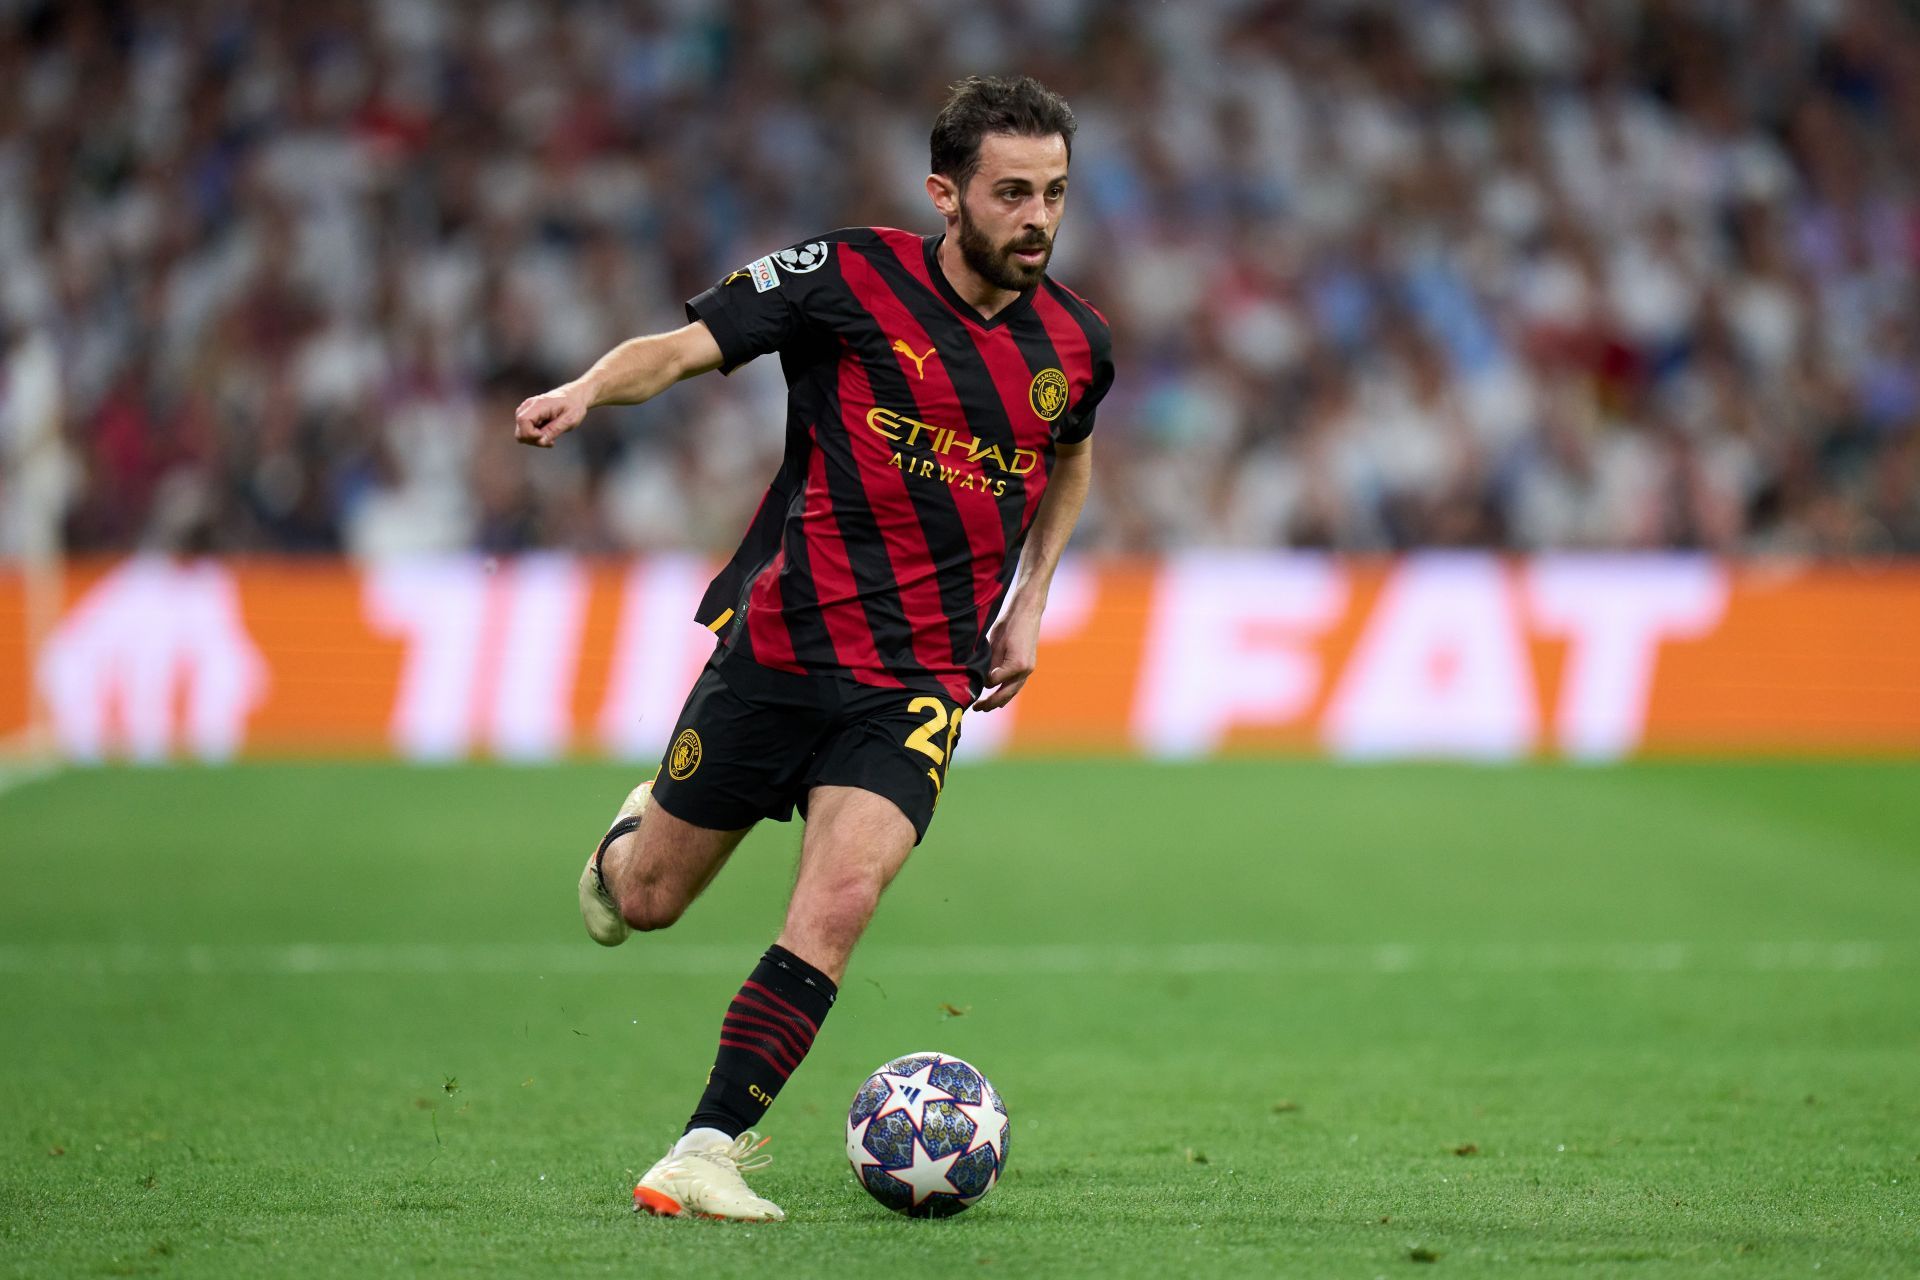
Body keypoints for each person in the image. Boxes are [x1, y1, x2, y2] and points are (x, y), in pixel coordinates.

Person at [513, 75, 1113, 1222]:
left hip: (920, 681)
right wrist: (591, 387)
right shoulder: (847, 277)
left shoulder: (1075, 342)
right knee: (645, 901)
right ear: (946, 192)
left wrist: (1030, 600)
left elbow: (1070, 455)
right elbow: (686, 349)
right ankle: (624, 840)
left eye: (1056, 194)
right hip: (784, 648)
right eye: (1012, 193)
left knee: (840, 898)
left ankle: (706, 1145)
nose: (1038, 217)